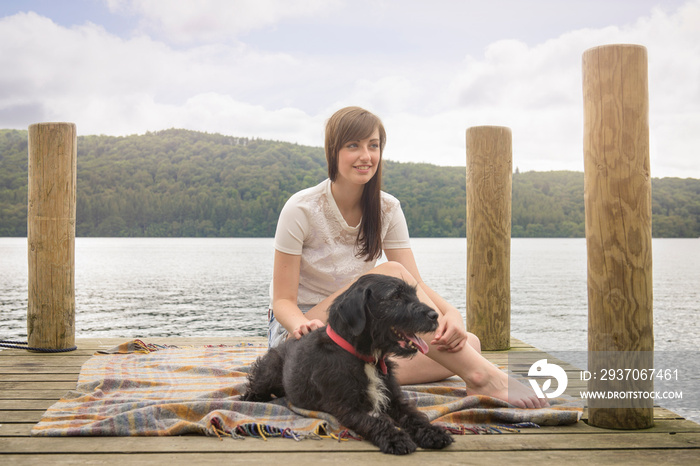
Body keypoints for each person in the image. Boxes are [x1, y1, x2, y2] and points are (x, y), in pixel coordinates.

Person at [267, 106, 547, 409]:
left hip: (356, 332)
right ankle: (484, 378)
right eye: (353, 146)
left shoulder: (386, 208)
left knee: (468, 344)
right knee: (393, 274)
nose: (366, 156)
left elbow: (415, 285)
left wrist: (450, 313)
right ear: (333, 151)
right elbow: (282, 301)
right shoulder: (302, 209)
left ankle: (348, 377)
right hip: (302, 337)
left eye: (373, 145)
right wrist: (302, 327)